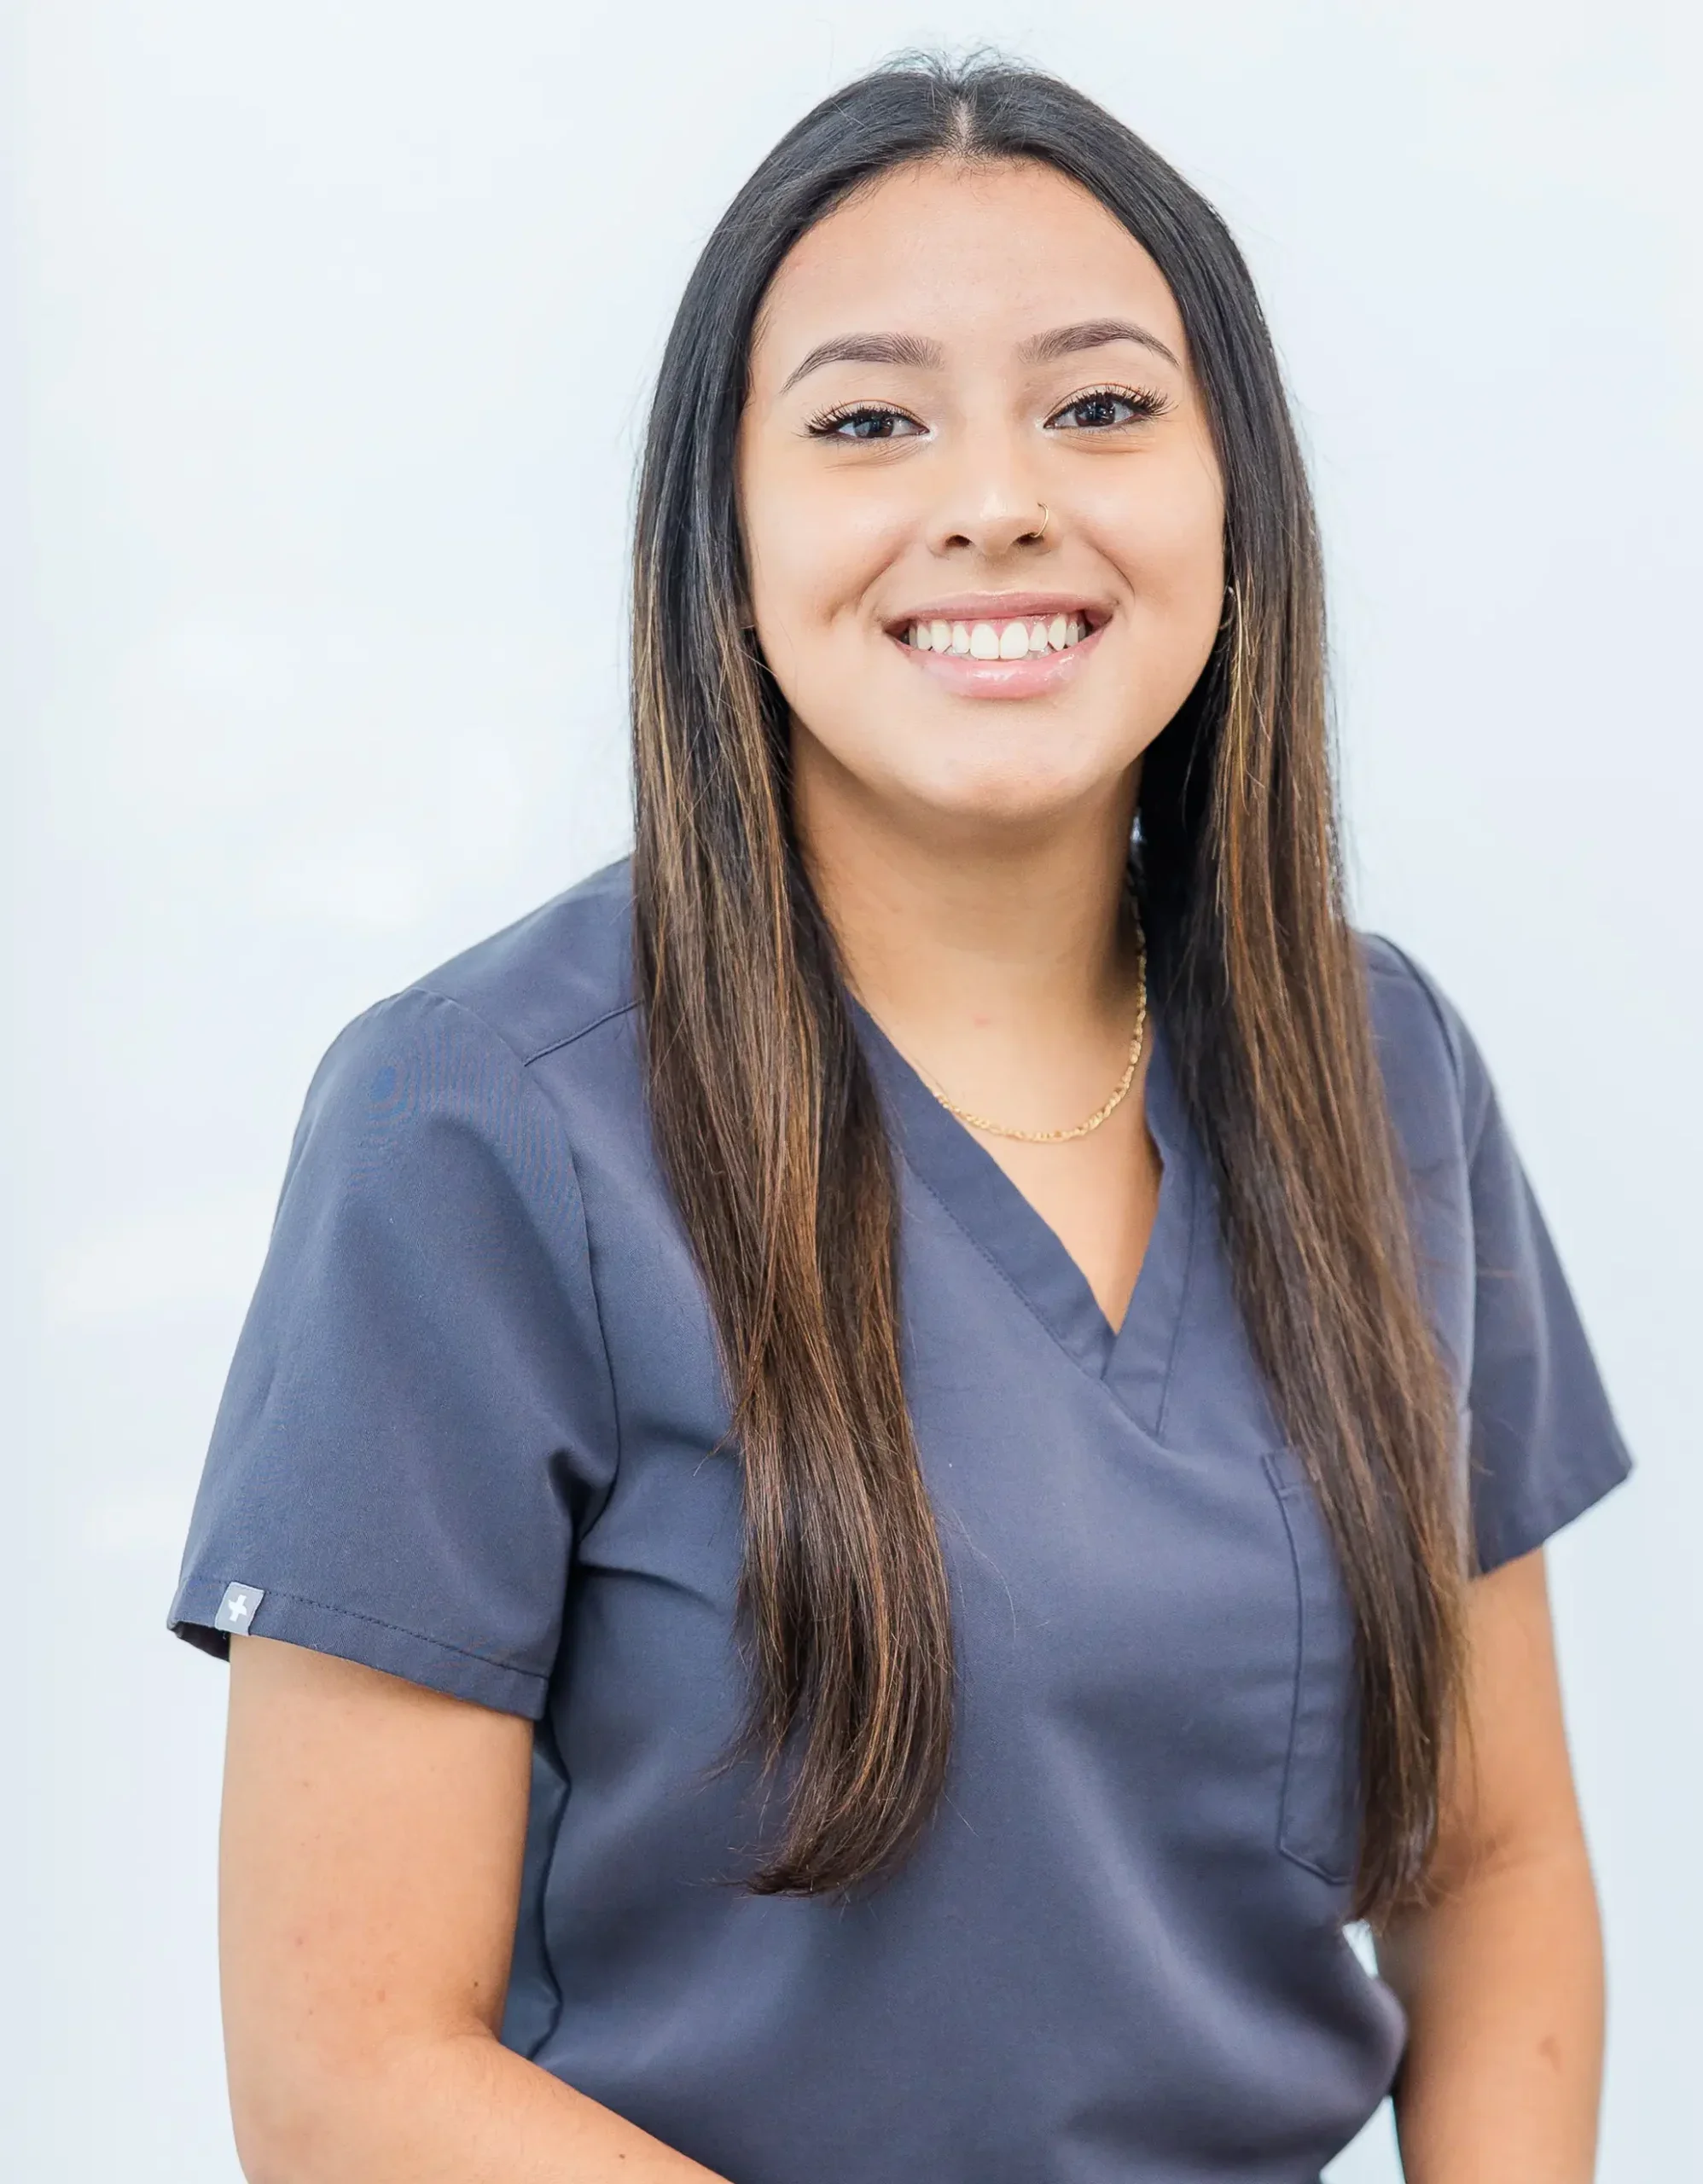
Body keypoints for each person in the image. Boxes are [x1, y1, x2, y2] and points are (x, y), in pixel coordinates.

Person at [167, 52, 1632, 2184]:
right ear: (726, 527)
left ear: (1237, 496)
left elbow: (1491, 1863)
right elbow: (347, 2071)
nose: (995, 500)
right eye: (866, 420)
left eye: (1100, 405)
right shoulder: (475, 1120)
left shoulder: (1377, 1061)